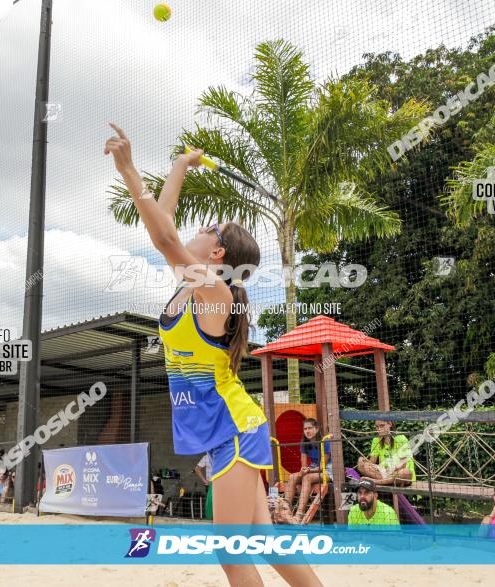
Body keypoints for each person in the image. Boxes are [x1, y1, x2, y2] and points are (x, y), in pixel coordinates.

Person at [105, 124, 322, 587]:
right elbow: (162, 222)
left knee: (232, 551)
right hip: (226, 430)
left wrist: (128, 170)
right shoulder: (189, 288)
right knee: (261, 543)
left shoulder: (215, 291)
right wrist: (179, 166)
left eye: (206, 230)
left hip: (236, 429)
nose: (193, 230)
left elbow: (164, 237)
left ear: (217, 252)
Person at [284, 418, 333, 521]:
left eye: (310, 428)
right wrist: (303, 471)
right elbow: (304, 466)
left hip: (327, 469)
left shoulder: (325, 441)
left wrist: (308, 471)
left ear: (317, 428)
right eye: (305, 429)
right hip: (313, 468)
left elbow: (321, 467)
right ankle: (285, 511)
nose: (307, 431)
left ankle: (299, 514)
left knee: (307, 478)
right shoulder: (304, 443)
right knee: (292, 477)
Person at [356, 420, 415, 486]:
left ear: (390, 424)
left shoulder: (401, 438)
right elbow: (371, 462)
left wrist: (386, 470)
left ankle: (376, 482)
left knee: (405, 472)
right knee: (363, 466)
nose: (379, 429)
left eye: (382, 426)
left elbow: (402, 466)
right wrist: (363, 460)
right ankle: (387, 481)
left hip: (401, 476)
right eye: (377, 427)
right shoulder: (376, 440)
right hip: (385, 475)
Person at [194, 453, 213, 520]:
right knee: (209, 503)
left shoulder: (223, 455)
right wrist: (204, 480)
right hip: (210, 484)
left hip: (221, 484)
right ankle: (209, 520)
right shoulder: (206, 457)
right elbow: (197, 469)